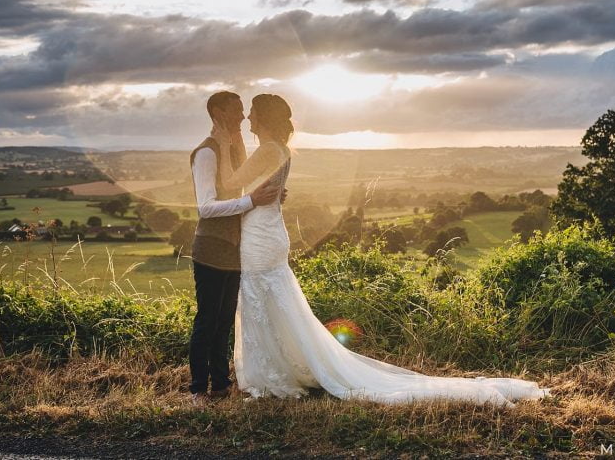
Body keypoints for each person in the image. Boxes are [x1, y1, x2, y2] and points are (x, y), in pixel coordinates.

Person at [210, 93, 551, 407]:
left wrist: (225, 142)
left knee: (261, 297)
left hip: (260, 236)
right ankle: (282, 369)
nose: (249, 119)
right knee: (270, 300)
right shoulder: (277, 149)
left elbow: (226, 184)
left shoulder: (268, 149)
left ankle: (276, 375)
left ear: (264, 118)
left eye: (253, 114)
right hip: (267, 232)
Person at [188, 91, 284, 406]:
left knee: (225, 318)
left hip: (235, 247)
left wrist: (269, 197)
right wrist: (252, 201)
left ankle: (221, 384)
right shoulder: (207, 153)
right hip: (211, 246)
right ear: (217, 112)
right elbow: (206, 208)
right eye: (236, 110)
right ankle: (198, 389)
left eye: (245, 110)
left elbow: (245, 188)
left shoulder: (233, 149)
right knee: (207, 320)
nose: (243, 116)